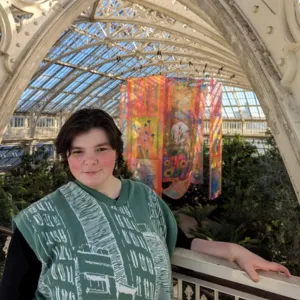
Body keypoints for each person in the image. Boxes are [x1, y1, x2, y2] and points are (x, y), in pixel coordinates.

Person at [0, 108, 291, 300]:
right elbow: (13, 293)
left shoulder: (144, 199)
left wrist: (233, 250)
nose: (89, 161)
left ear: (117, 151)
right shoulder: (39, 219)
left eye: (101, 149)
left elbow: (178, 241)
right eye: (78, 152)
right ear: (67, 156)